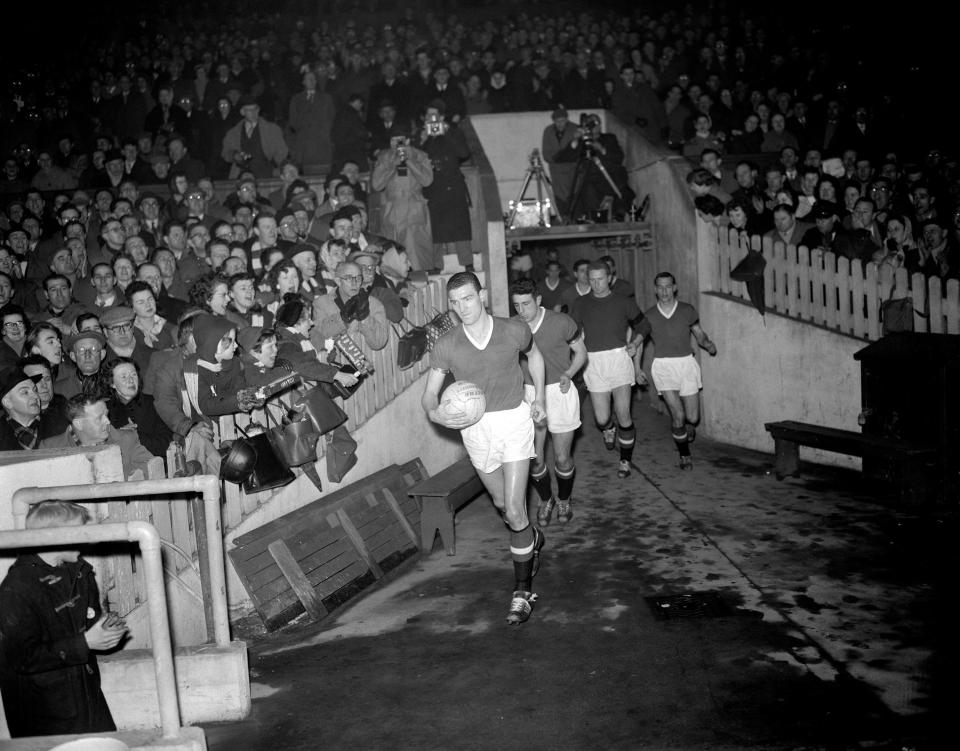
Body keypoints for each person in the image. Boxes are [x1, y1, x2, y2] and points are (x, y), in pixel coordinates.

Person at [422, 272, 547, 625]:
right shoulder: (446, 345)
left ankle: (522, 592)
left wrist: (539, 396)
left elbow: (535, 357)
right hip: (475, 430)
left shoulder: (512, 329)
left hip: (513, 421)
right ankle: (532, 537)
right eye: (455, 302)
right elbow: (430, 394)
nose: (463, 307)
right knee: (503, 508)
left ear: (483, 296)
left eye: (468, 298)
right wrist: (437, 414)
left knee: (515, 508)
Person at [0, 500, 127, 738]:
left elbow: (90, 623)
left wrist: (106, 629)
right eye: (79, 531)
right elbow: (22, 657)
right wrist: (86, 642)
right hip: (44, 712)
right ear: (55, 537)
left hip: (87, 698)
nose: (85, 538)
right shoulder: (16, 588)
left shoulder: (79, 571)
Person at [511, 278, 587, 526]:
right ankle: (546, 500)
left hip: (560, 392)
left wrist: (569, 374)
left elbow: (582, 353)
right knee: (535, 458)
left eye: (526, 304)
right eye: (517, 305)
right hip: (530, 395)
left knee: (562, 458)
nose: (521, 311)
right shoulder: (511, 327)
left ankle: (564, 498)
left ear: (539, 300)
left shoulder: (561, 322)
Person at [633, 272, 717, 470]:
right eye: (660, 287)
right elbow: (638, 342)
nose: (664, 291)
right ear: (655, 289)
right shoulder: (650, 315)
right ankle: (684, 454)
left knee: (693, 417)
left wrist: (708, 344)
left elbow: (698, 333)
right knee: (677, 415)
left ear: (675, 287)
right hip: (663, 366)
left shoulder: (687, 310)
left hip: (686, 364)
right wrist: (636, 368)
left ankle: (688, 427)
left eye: (668, 286)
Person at [569, 262, 644, 479]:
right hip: (593, 362)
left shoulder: (623, 302)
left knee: (624, 413)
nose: (595, 283)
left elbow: (644, 325)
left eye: (600, 279)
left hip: (618, 359)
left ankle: (625, 461)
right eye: (592, 279)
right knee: (602, 419)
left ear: (610, 278)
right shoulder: (580, 303)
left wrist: (635, 342)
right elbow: (571, 332)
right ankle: (608, 428)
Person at [41, 393, 157, 480]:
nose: (107, 421)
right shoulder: (50, 448)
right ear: (79, 424)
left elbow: (154, 473)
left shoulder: (126, 439)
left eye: (106, 414)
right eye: (99, 418)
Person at [418, 101, 473, 272]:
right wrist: (423, 140)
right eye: (428, 115)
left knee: (461, 226)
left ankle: (467, 263)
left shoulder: (453, 132)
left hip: (453, 186)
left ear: (441, 117)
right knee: (435, 228)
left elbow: (463, 153)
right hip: (433, 187)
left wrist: (447, 132)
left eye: (434, 116)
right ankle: (436, 265)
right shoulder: (422, 135)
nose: (431, 119)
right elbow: (417, 159)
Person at [370, 133, 434, 272]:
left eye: (401, 140)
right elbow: (377, 185)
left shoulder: (420, 155)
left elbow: (427, 180)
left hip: (414, 210)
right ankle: (398, 287)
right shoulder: (384, 157)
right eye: (393, 139)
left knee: (416, 253)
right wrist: (393, 165)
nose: (397, 143)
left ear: (408, 140)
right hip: (392, 211)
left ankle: (421, 285)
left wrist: (409, 161)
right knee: (394, 252)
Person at [554, 113, 634, 221]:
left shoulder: (609, 138)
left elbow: (618, 157)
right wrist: (575, 140)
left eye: (596, 124)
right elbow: (561, 158)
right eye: (590, 124)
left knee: (625, 194)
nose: (595, 127)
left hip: (612, 180)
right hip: (591, 182)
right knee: (583, 195)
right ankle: (593, 221)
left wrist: (601, 148)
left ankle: (617, 218)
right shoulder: (583, 143)